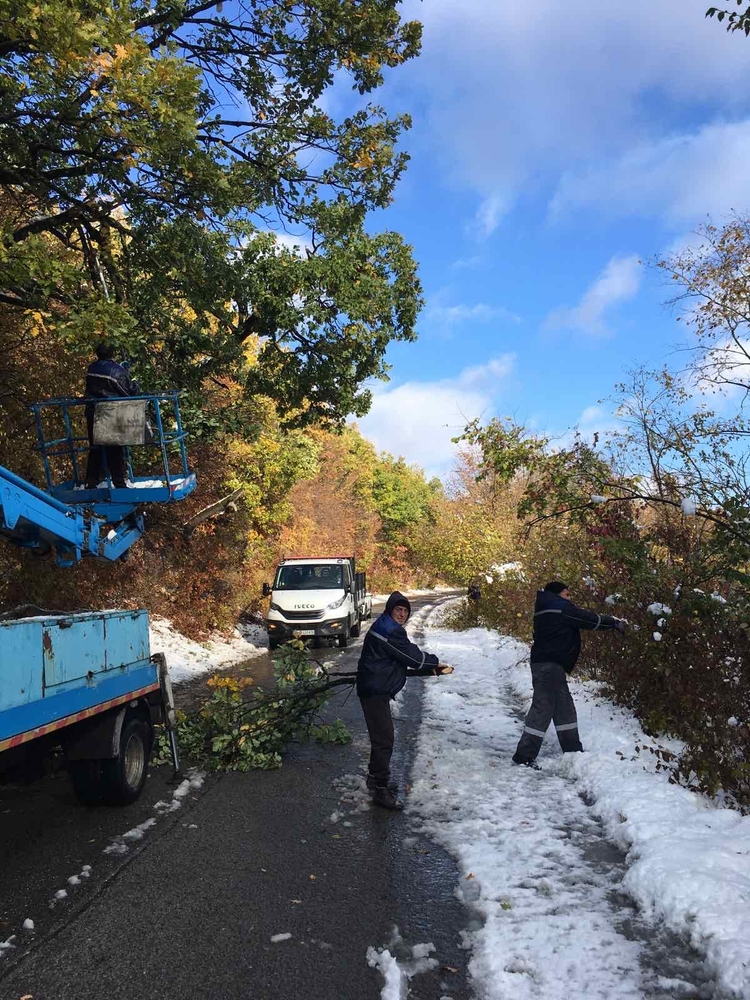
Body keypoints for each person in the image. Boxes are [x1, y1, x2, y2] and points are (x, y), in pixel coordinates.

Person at [512, 581, 626, 769]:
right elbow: (586, 619)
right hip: (550, 665)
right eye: (566, 594)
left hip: (549, 665)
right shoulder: (558, 607)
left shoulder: (547, 606)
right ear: (557, 594)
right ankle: (524, 756)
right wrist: (612, 622)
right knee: (542, 709)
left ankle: (573, 750)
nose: (569, 597)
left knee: (564, 706)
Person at [357, 591, 453, 810]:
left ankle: (374, 779)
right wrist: (434, 662)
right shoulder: (390, 631)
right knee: (384, 739)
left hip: (372, 687)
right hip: (374, 690)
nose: (401, 614)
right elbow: (412, 658)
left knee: (380, 737)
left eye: (405, 611)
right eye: (398, 610)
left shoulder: (385, 625)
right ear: (390, 610)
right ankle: (381, 790)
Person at [84, 343, 141, 490]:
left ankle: (91, 482)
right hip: (111, 413)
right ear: (112, 353)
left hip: (93, 411)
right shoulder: (116, 371)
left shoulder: (92, 368)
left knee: (95, 448)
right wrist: (135, 384)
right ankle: (119, 483)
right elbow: (129, 392)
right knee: (115, 449)